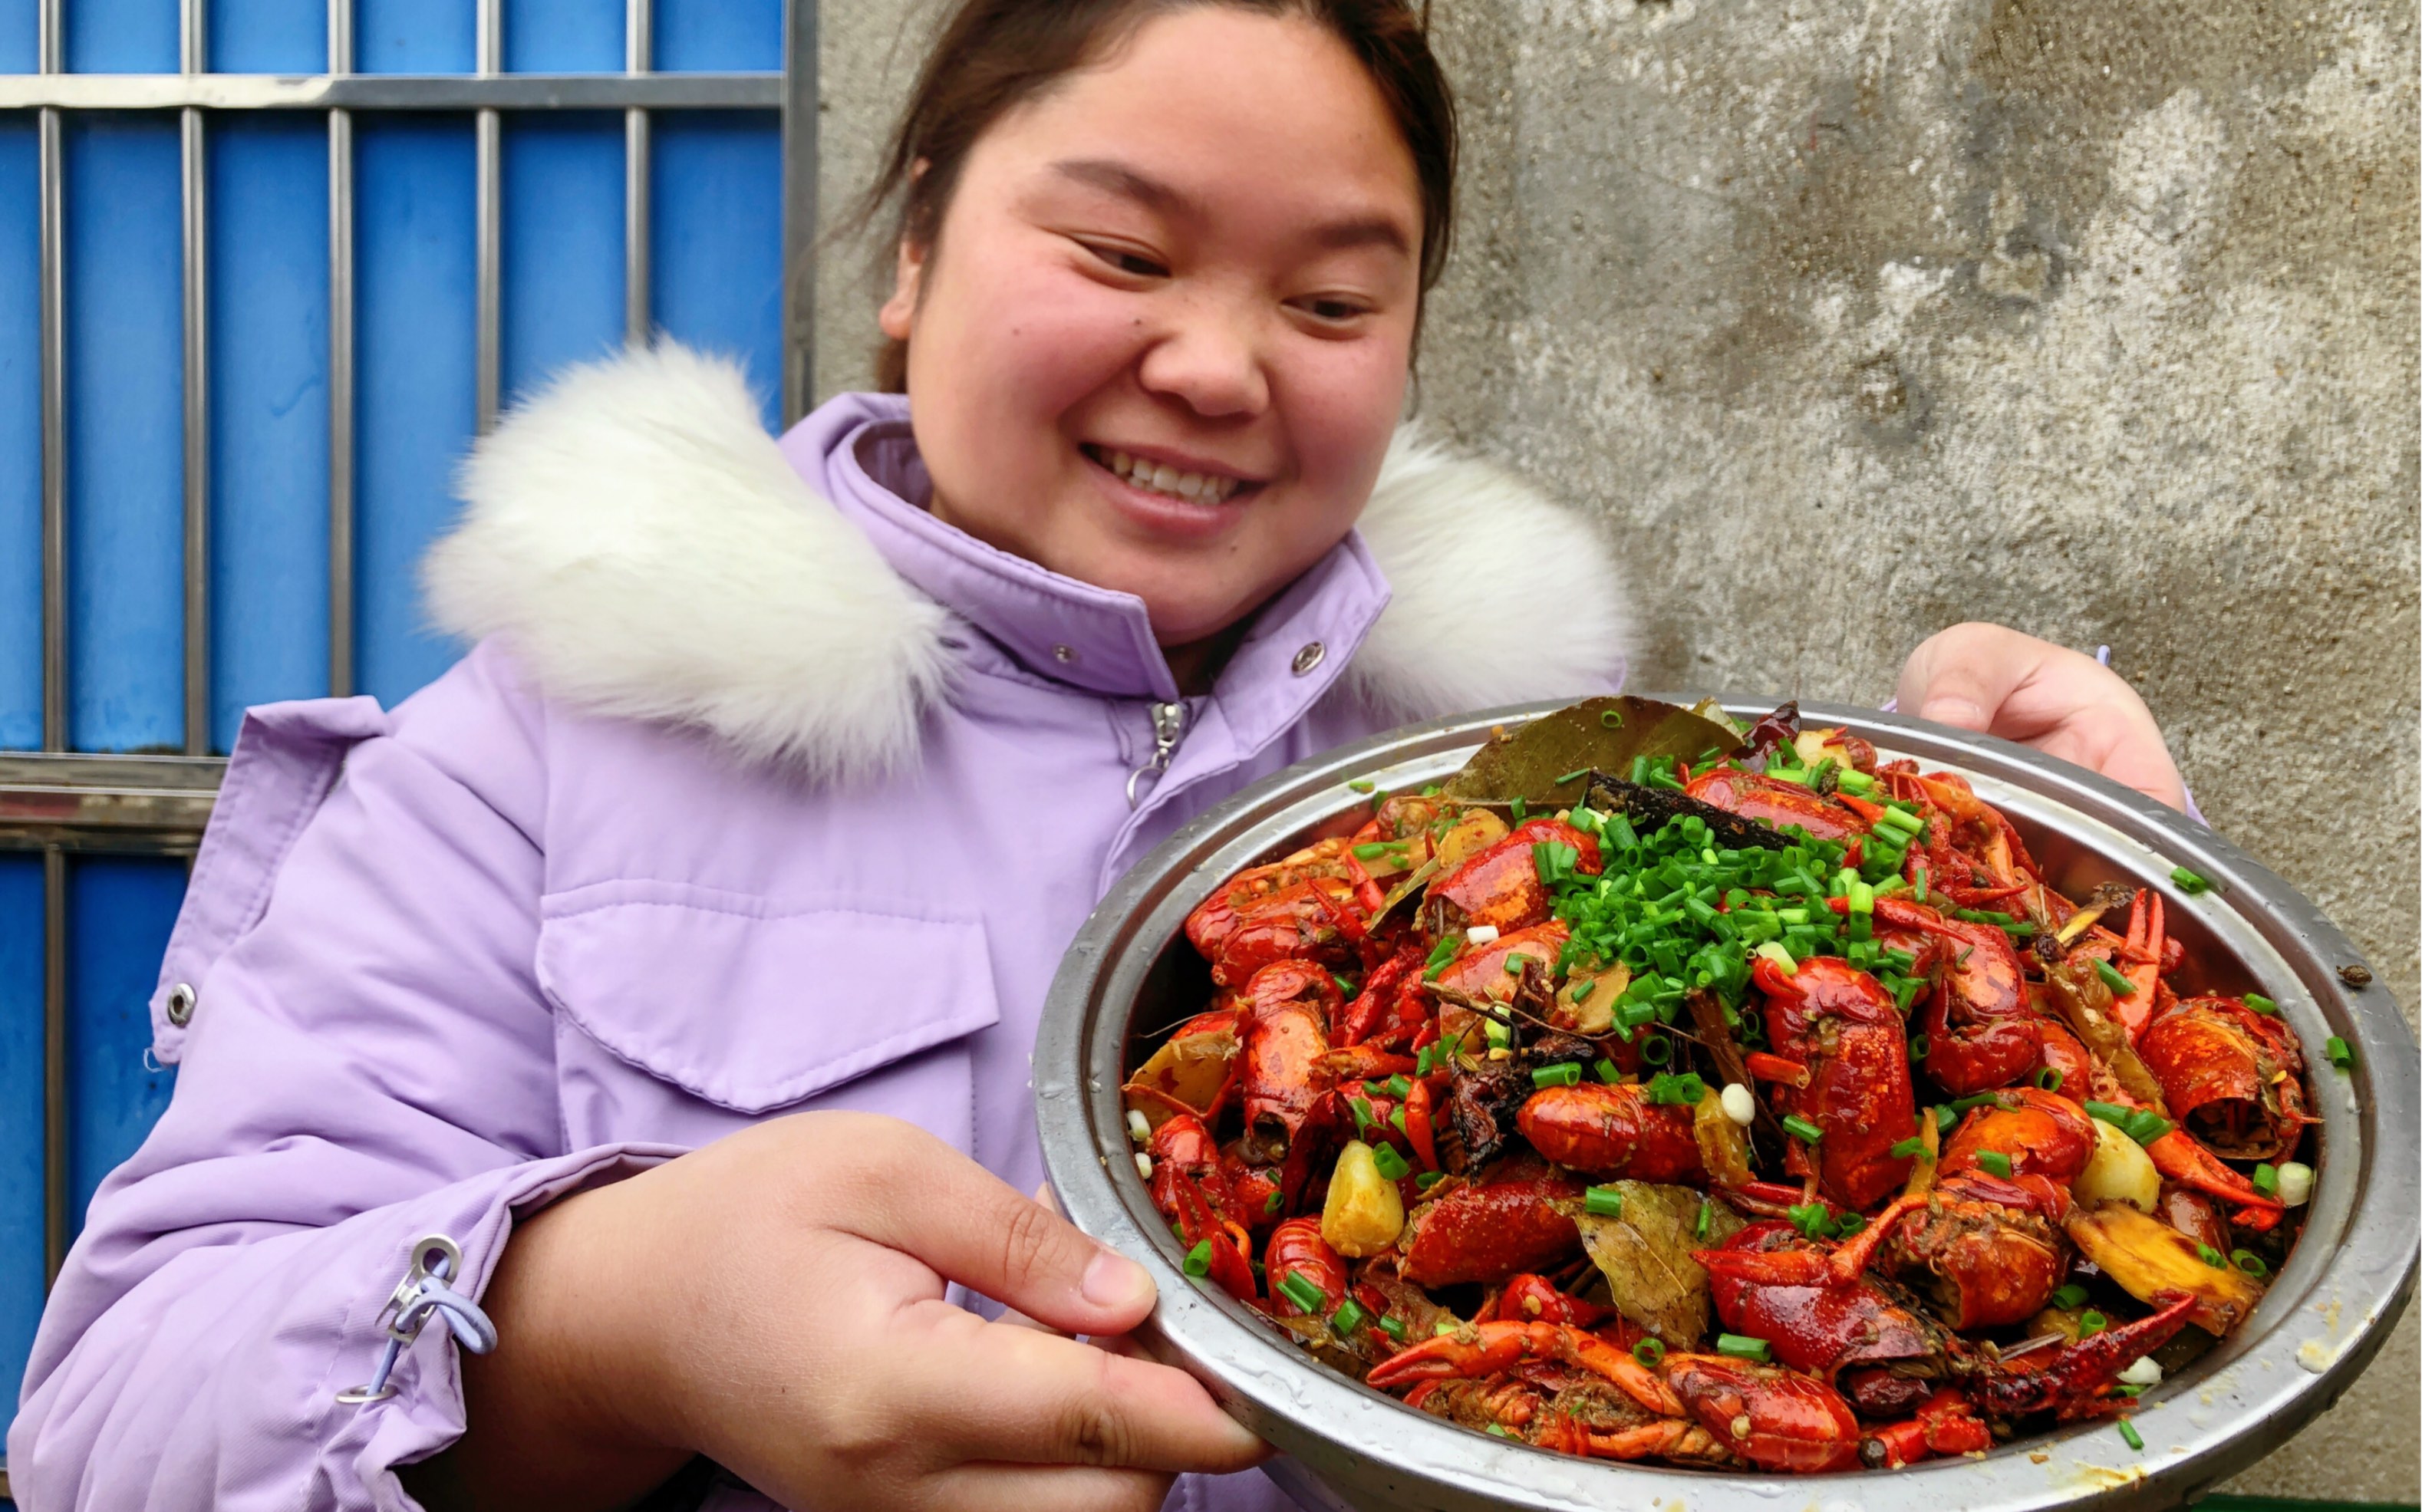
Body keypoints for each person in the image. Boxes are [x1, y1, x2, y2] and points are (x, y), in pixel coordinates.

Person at [5, 2, 2186, 1508]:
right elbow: (104, 1427)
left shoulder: (1522, 782)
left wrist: (2073, 939)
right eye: (1122, 249)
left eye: (1335, 302)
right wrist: (598, 1320)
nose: (1220, 363)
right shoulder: (540, 748)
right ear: (922, 240)